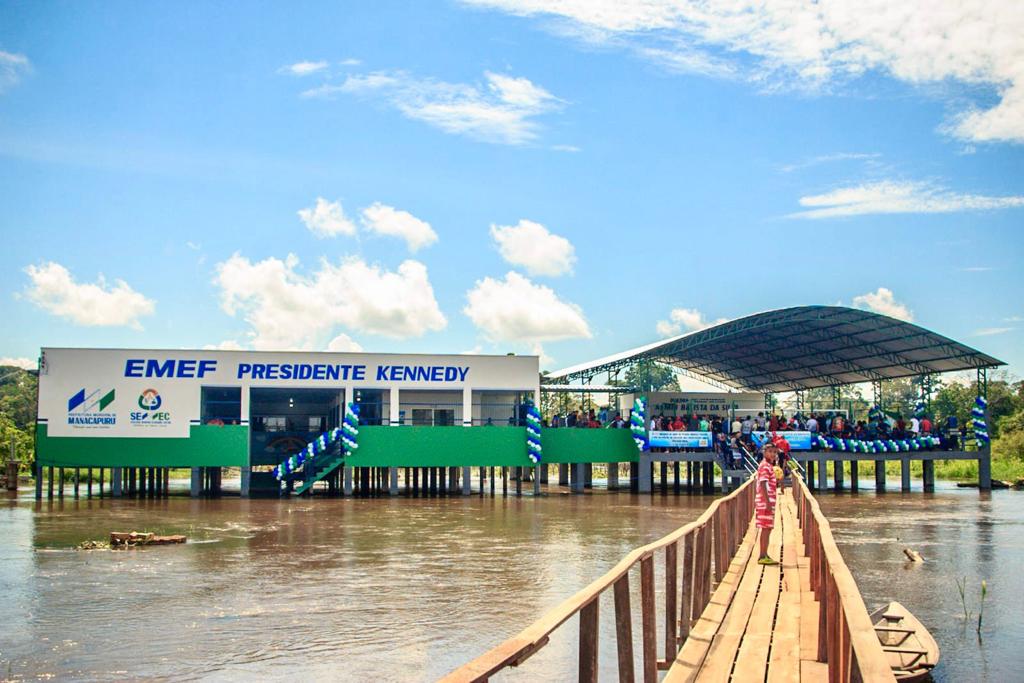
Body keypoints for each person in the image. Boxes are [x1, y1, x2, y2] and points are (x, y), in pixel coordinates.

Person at [755, 443, 780, 565]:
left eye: (775, 452)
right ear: (764, 452)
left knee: (768, 528)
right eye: (770, 451)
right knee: (765, 528)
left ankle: (764, 554)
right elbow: (763, 483)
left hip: (767, 501)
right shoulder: (765, 466)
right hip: (765, 502)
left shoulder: (768, 466)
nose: (773, 454)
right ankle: (762, 556)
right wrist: (767, 502)